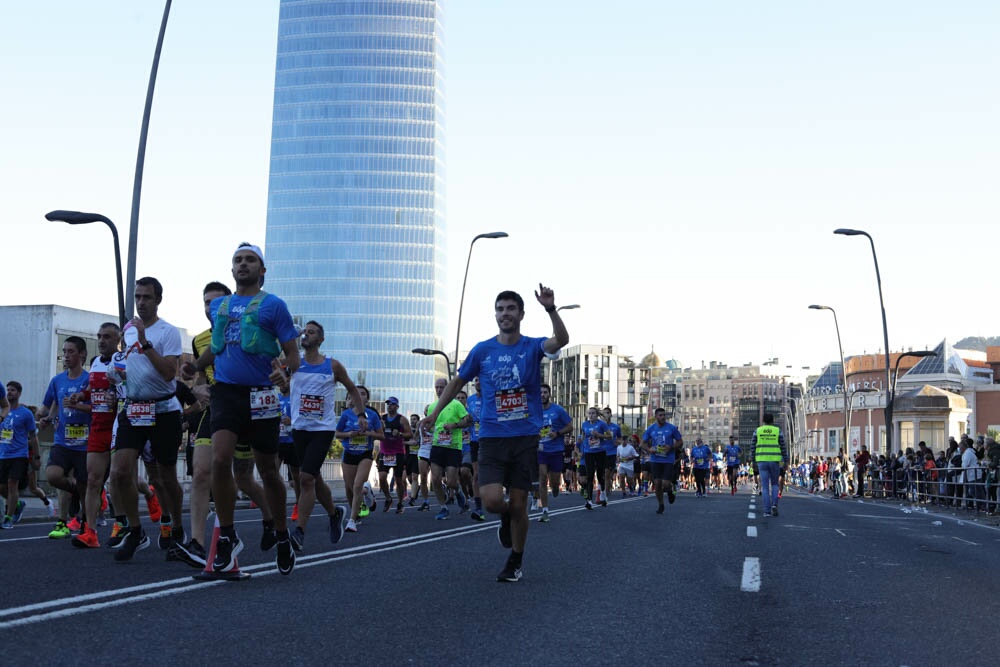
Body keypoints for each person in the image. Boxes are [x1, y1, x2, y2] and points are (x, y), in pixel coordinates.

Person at [422, 285, 569, 582]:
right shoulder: (482, 350)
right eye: (500, 309)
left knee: (518, 505)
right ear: (495, 314)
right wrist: (435, 413)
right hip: (490, 437)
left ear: (521, 314)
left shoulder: (532, 346)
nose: (505, 314)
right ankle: (504, 518)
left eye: (511, 309)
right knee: (491, 501)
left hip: (525, 438)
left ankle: (515, 560)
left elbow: (562, 340)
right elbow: (456, 383)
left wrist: (551, 309)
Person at [187, 243, 303, 575]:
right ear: (232, 268)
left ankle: (282, 535)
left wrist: (286, 372)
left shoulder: (274, 305)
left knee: (267, 471)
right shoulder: (221, 306)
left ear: (262, 270)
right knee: (220, 460)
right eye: (238, 260)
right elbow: (217, 348)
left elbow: (292, 353)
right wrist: (193, 367)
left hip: (262, 396)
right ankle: (228, 536)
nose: (243, 264)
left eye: (250, 260)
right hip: (225, 393)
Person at [109, 277, 185, 562]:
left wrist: (144, 341)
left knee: (164, 476)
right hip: (134, 408)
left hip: (164, 410)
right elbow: (129, 364)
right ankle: (136, 531)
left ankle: (176, 528)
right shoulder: (127, 329)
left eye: (147, 297)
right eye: (138, 297)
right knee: (119, 472)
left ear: (158, 300)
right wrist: (118, 374)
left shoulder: (168, 332)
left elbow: (168, 373)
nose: (141, 302)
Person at [278, 320, 364, 550]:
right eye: (304, 331)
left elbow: (352, 389)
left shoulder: (332, 366)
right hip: (299, 429)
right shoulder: (294, 364)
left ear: (321, 339)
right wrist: (288, 338)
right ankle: (335, 513)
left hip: (322, 430)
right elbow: (273, 364)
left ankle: (299, 532)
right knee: (314, 477)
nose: (306, 334)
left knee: (305, 478)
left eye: (312, 332)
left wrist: (362, 414)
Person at [67, 323, 121, 548]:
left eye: (107, 337)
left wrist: (117, 399)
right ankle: (90, 532)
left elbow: (135, 388)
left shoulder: (125, 360)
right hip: (98, 427)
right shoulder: (96, 363)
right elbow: (92, 388)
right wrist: (81, 395)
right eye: (99, 336)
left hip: (120, 426)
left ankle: (123, 525)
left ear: (118, 338)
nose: (101, 341)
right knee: (92, 481)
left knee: (120, 479)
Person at [36, 336, 91, 539]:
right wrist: (42, 418)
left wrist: (78, 406)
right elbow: (47, 407)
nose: (66, 356)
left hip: (85, 443)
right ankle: (73, 495)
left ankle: (80, 523)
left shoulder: (89, 380)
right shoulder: (57, 381)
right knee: (53, 476)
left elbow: (97, 408)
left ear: (82, 354)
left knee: (86, 485)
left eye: (71, 352)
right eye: (64, 352)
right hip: (62, 441)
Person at [334, 386, 383, 532]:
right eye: (356, 393)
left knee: (356, 486)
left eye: (363, 394)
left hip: (365, 454)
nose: (359, 396)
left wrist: (369, 433)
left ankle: (352, 520)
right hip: (349, 454)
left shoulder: (372, 415)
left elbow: (381, 436)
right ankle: (366, 495)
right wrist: (349, 435)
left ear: (367, 399)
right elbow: (337, 433)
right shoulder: (346, 414)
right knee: (350, 489)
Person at [426, 377, 470, 520]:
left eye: (441, 387)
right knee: (435, 479)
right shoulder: (432, 407)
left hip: (453, 447)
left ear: (448, 388)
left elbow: (467, 421)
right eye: (437, 387)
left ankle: (459, 493)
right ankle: (443, 508)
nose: (439, 390)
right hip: (437, 446)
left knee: (451, 481)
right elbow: (430, 426)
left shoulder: (457, 404)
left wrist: (454, 425)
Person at [1, 381, 40, 528]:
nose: (9, 392)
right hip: (3, 454)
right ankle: (17, 503)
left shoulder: (26, 414)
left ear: (19, 393)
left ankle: (8, 518)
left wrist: (36, 457)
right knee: (2, 487)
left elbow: (33, 436)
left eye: (12, 390)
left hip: (19, 455)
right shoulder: (3, 411)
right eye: (8, 390)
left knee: (12, 484)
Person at [537, 383, 572, 522]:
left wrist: (557, 433)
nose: (542, 395)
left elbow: (570, 426)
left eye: (545, 392)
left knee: (554, 481)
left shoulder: (558, 410)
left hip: (556, 450)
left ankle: (556, 487)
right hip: (541, 449)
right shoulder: (535, 410)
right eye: (540, 392)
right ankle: (545, 511)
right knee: (542, 478)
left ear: (549, 394)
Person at [640, 408, 683, 514]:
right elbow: (642, 444)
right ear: (656, 417)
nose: (663, 417)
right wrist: (649, 449)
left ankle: (670, 491)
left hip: (668, 459)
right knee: (657, 483)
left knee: (665, 483)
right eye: (660, 415)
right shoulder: (651, 429)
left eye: (664, 415)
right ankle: (661, 504)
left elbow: (680, 441)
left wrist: (671, 447)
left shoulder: (671, 428)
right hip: (655, 459)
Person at [377, 396, 411, 514]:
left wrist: (400, 434)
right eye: (388, 404)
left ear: (397, 406)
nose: (389, 406)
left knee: (398, 480)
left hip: (397, 453)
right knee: (381, 478)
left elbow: (409, 434)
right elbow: (376, 431)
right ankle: (388, 498)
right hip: (384, 452)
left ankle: (400, 502)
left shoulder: (402, 419)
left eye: (392, 404)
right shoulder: (382, 419)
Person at [752, 413, 788, 517]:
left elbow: (752, 448)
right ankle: (774, 505)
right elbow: (783, 447)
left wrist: (753, 462)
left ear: (763, 421)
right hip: (774, 461)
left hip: (762, 461)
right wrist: (785, 461)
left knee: (765, 487)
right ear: (773, 421)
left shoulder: (757, 431)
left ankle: (767, 511)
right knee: (775, 484)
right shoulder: (777, 431)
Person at [580, 407, 611, 509]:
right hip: (589, 453)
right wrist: (582, 447)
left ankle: (602, 493)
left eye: (593, 413)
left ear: (597, 414)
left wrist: (598, 435)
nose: (591, 415)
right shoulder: (584, 424)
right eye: (590, 413)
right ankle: (588, 500)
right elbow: (583, 436)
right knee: (590, 475)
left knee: (600, 475)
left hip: (600, 452)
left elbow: (609, 436)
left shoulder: (602, 424)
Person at [466, 377, 486, 521]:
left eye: (480, 380)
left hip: (490, 440)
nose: (478, 382)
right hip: (474, 441)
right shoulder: (470, 400)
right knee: (476, 475)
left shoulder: (491, 396)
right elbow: (467, 419)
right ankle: (479, 508)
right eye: (476, 380)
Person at [602, 408, 622, 500]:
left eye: (607, 413)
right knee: (605, 473)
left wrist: (617, 442)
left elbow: (620, 439)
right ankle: (605, 492)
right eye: (604, 413)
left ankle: (609, 482)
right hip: (602, 452)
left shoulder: (616, 427)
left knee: (609, 474)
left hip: (612, 452)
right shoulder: (600, 426)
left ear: (610, 414)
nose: (605, 415)